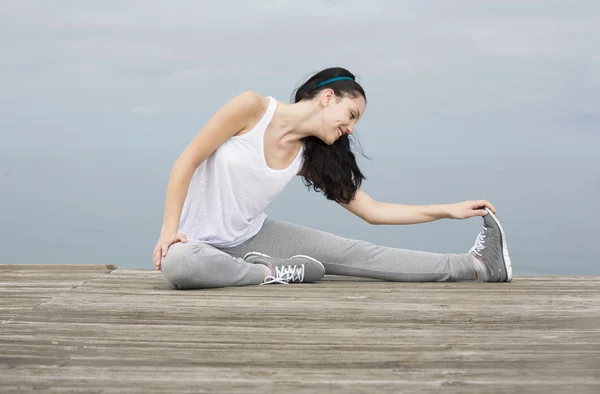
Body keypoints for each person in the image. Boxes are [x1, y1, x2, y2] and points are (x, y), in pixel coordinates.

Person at [153, 67, 513, 289]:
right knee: (180, 265)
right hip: (197, 243)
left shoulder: (312, 155)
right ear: (328, 97)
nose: (350, 128)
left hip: (252, 236)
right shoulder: (251, 108)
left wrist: (447, 210)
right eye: (351, 114)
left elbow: (373, 211)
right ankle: (271, 274)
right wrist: (170, 231)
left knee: (358, 254)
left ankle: (477, 266)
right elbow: (187, 161)